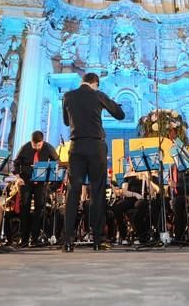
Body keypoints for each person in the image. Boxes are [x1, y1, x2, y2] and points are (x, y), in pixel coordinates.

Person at [61, 72, 125, 251]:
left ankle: (68, 240)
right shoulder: (98, 95)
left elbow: (67, 122)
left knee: (73, 192)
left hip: (76, 146)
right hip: (96, 147)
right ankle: (98, 240)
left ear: (83, 81)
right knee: (97, 192)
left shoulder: (68, 96)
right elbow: (120, 114)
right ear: (95, 83)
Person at [13, 132, 59, 246]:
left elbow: (56, 162)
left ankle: (35, 238)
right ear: (31, 141)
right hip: (26, 181)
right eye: (34, 145)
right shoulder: (25, 147)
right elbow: (16, 163)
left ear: (42, 141)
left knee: (39, 208)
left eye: (39, 145)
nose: (37, 147)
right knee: (25, 208)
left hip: (41, 182)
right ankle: (23, 238)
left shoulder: (48, 147)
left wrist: (51, 175)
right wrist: (18, 178)